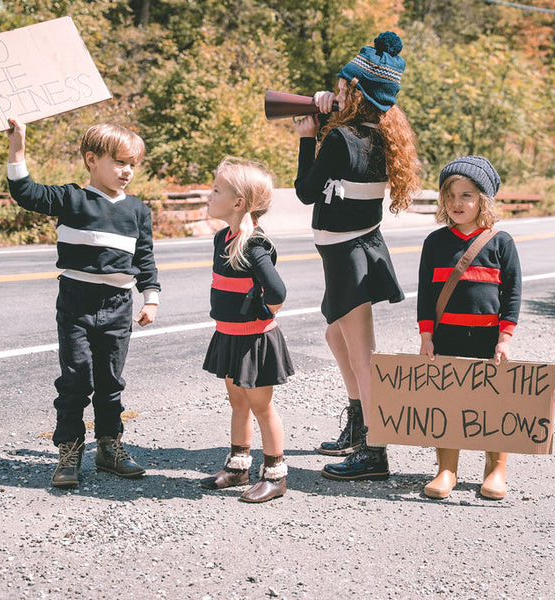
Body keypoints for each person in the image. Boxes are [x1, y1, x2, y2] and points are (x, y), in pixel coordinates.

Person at [293, 31, 422, 480]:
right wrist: (329, 116)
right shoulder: (378, 136)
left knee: (364, 355)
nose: (336, 90)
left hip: (347, 255)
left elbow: (307, 191)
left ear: (356, 94)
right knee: (336, 338)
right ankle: (357, 423)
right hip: (356, 251)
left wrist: (309, 135)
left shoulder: (339, 140)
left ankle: (375, 450)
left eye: (343, 86)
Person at [6, 119, 159, 489]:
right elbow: (25, 192)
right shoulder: (71, 199)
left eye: (132, 164)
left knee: (110, 382)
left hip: (118, 304)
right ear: (92, 159)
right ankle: (69, 452)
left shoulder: (137, 210)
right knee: (75, 381)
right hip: (76, 302)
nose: (127, 171)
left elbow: (145, 258)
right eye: (119, 162)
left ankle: (109, 448)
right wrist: (18, 146)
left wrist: (150, 298)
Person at [416, 156, 522, 500]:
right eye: (450, 196)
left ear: (484, 201)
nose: (457, 203)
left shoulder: (500, 242)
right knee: (448, 404)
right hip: (447, 336)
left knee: (493, 404)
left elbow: (513, 292)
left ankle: (495, 470)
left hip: (488, 340)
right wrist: (426, 337)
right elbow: (425, 294)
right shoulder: (435, 243)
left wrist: (504, 338)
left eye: (467, 196)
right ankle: (446, 468)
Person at [199, 157, 294, 503]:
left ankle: (275, 474)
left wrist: (261, 314)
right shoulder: (222, 237)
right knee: (237, 401)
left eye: (216, 190)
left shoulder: (254, 244)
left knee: (261, 406)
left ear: (239, 203)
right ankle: (238, 466)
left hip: (255, 338)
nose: (209, 195)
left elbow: (278, 292)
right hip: (228, 333)